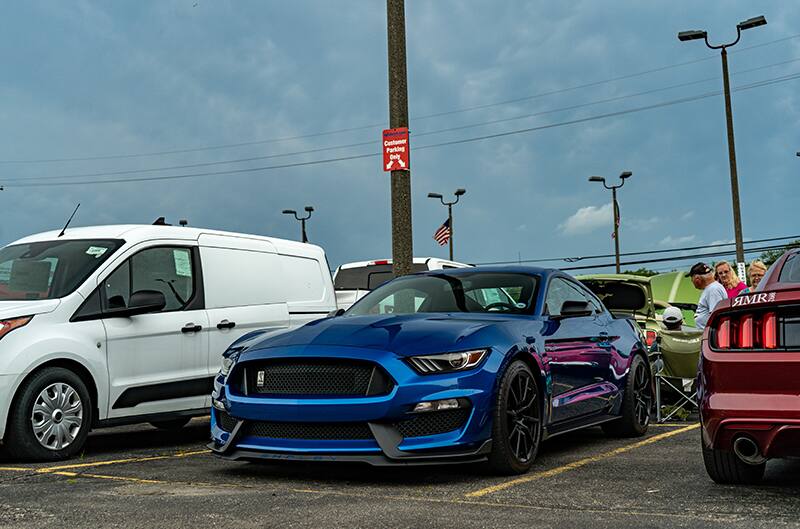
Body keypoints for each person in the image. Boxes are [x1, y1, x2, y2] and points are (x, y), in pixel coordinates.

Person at [687, 262, 727, 331]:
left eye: (692, 278)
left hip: (712, 338)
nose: (692, 281)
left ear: (697, 279)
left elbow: (716, 317)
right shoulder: (712, 288)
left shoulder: (713, 290)